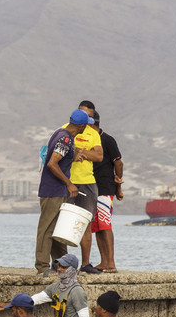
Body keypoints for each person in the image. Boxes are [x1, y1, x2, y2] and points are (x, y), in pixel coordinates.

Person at [35, 110, 83, 274]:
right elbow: (52, 163)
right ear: (81, 126)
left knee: (58, 229)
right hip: (53, 191)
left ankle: (62, 266)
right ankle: (42, 267)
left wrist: (73, 157)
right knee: (47, 228)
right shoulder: (66, 138)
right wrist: (69, 184)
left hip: (54, 189)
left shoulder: (59, 133)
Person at [87, 106, 124, 272]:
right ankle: (103, 262)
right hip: (92, 187)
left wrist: (118, 185)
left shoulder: (107, 139)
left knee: (105, 224)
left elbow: (119, 162)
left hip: (105, 187)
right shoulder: (90, 139)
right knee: (97, 227)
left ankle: (111, 263)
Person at [68, 104, 104, 271]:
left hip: (87, 182)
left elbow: (99, 156)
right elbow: (65, 151)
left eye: (89, 118)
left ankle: (85, 263)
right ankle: (60, 263)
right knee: (62, 221)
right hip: (67, 180)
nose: (86, 123)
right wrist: (77, 152)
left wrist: (81, 152)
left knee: (86, 223)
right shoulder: (65, 130)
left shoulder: (93, 134)